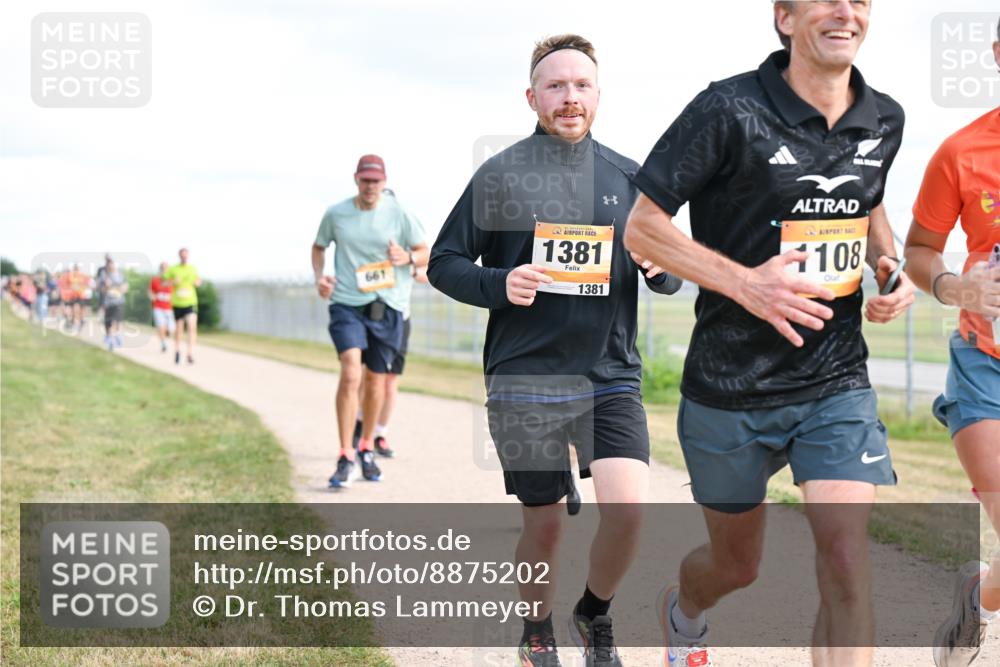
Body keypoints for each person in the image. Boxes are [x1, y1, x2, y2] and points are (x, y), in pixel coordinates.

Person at [623, 2, 915, 665]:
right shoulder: (727, 109)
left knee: (845, 556)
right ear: (784, 18)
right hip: (730, 386)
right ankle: (684, 610)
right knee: (735, 565)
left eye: (860, 0)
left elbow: (866, 201)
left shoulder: (886, 118)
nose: (847, 11)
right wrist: (746, 283)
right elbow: (643, 227)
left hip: (835, 379)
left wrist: (886, 263)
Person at [428, 34, 682, 667]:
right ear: (532, 96)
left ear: (598, 94)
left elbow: (674, 267)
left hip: (609, 374)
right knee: (543, 522)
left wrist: (657, 270)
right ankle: (536, 629)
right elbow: (443, 263)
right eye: (556, 86)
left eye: (582, 85)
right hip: (525, 376)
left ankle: (593, 612)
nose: (570, 98)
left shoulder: (630, 177)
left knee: (627, 513)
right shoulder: (502, 174)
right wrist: (499, 284)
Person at [904, 18, 1000, 667]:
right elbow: (919, 250)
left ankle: (980, 599)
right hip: (982, 371)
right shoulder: (961, 152)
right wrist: (952, 289)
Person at [312, 154, 429, 488]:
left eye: (376, 181)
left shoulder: (400, 212)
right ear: (356, 180)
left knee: (377, 381)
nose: (370, 186)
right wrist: (320, 277)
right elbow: (318, 248)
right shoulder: (336, 213)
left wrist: (407, 257)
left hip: (387, 305)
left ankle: (366, 447)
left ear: (384, 182)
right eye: (365, 180)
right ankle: (345, 453)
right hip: (347, 303)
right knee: (351, 372)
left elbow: (425, 251)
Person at [165, 248, 201, 365]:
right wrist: (173, 282)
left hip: (190, 302)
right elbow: (164, 282)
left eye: (186, 256)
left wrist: (197, 282)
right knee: (179, 329)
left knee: (192, 326)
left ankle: (190, 353)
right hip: (177, 303)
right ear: (179, 256)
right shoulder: (173, 269)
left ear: (188, 256)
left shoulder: (192, 268)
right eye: (182, 256)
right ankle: (177, 350)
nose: (184, 258)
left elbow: (198, 280)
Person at [100, 257, 128, 351]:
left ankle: (113, 341)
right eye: (109, 266)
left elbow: (125, 287)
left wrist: (118, 288)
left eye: (113, 265)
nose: (111, 267)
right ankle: (110, 337)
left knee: (115, 321)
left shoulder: (121, 275)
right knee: (107, 323)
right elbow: (102, 290)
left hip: (119, 302)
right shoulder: (104, 276)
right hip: (108, 303)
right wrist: (107, 287)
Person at [149, 262, 175, 353]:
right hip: (158, 306)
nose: (164, 270)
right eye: (162, 268)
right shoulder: (155, 280)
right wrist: (152, 296)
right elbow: (150, 291)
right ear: (160, 269)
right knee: (161, 325)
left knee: (171, 329)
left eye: (166, 268)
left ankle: (166, 334)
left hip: (168, 307)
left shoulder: (172, 280)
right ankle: (163, 343)